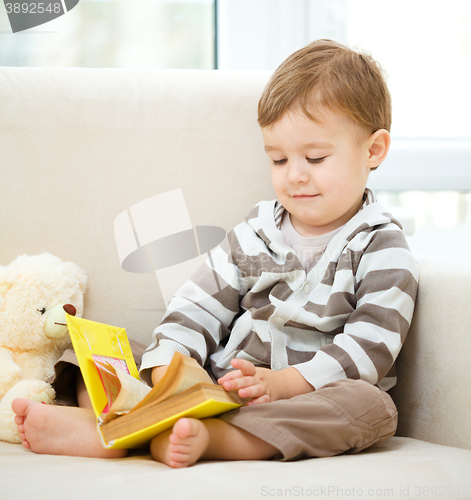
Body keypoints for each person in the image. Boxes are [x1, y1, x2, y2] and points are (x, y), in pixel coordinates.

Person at [12, 39, 419, 468]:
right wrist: (170, 370)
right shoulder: (255, 232)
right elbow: (197, 307)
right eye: (279, 160)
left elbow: (368, 349)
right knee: (92, 349)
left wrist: (283, 385)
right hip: (213, 384)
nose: (295, 175)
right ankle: (131, 418)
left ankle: (206, 438)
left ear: (373, 150)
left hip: (294, 402)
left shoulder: (382, 247)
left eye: (315, 158)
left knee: (371, 406)